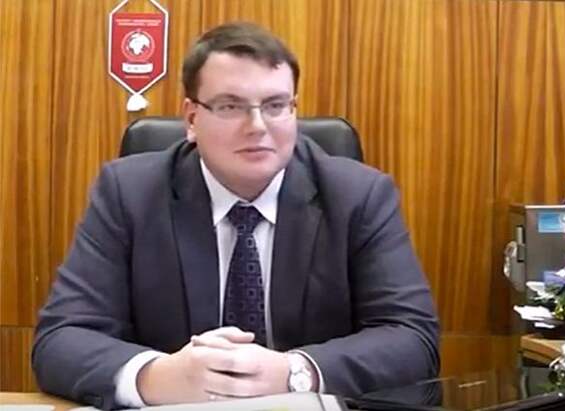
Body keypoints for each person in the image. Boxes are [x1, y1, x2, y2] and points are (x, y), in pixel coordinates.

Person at [32, 22, 439, 410]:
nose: (258, 126)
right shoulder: (129, 193)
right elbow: (61, 338)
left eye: (276, 105)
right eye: (231, 106)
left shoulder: (358, 195)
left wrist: (293, 373)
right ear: (192, 119)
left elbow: (412, 339)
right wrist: (156, 377)